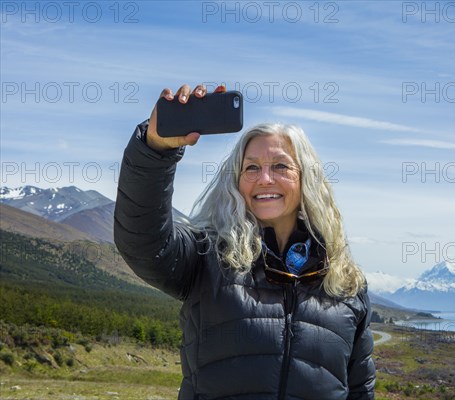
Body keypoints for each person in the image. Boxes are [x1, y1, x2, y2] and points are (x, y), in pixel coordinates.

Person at [114, 83, 376, 399]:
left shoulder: (345, 282)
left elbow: (360, 389)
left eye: (280, 166)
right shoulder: (206, 256)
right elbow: (143, 242)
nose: (264, 179)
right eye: (251, 167)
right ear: (236, 180)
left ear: (306, 178)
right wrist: (155, 148)